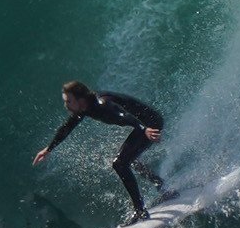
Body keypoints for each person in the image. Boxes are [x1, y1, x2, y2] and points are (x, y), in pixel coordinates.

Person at [34, 80, 167, 219]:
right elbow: (67, 127)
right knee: (127, 161)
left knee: (119, 164)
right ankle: (162, 187)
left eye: (69, 101)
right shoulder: (84, 108)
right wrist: (48, 149)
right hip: (144, 124)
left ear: (80, 100)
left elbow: (124, 115)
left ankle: (140, 209)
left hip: (150, 124)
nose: (66, 105)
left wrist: (144, 129)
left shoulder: (102, 104)